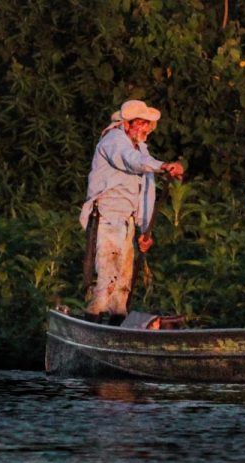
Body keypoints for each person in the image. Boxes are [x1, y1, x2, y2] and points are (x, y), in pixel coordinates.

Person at [80, 99, 184, 323]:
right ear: (127, 123)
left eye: (148, 124)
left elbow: (146, 192)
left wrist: (145, 230)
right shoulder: (113, 141)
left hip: (125, 221)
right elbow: (131, 161)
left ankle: (117, 325)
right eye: (141, 123)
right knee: (107, 279)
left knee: (123, 285)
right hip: (107, 217)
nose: (146, 129)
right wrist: (163, 165)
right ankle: (93, 322)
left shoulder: (141, 149)